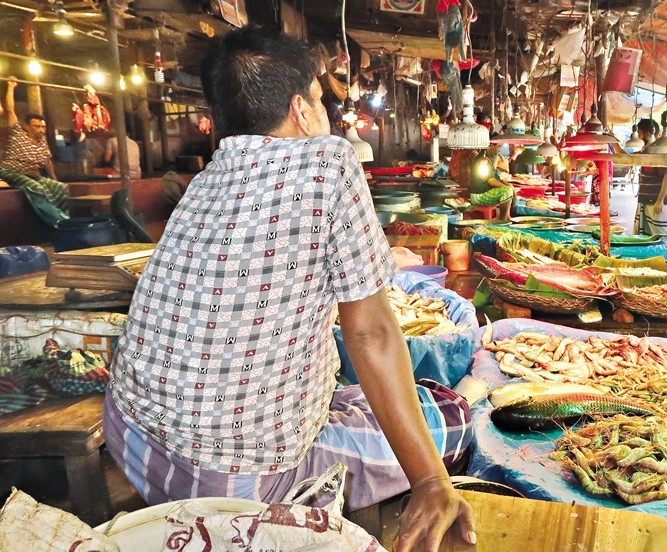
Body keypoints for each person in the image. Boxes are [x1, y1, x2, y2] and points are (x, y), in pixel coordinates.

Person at [103, 28, 475, 552]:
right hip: (231, 481)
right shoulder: (328, 160)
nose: (325, 115)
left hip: (132, 439)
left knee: (360, 396)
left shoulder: (207, 179)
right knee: (452, 414)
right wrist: (432, 483)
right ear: (302, 110)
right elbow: (369, 333)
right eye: (322, 101)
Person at [0, 77, 69, 226]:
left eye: (43, 127)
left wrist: (54, 177)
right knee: (37, 188)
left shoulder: (42, 141)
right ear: (27, 126)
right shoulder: (18, 132)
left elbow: (46, 161)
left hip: (33, 174)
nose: (41, 129)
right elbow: (10, 110)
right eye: (37, 126)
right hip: (10, 172)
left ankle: (65, 219)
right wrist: (11, 87)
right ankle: (56, 222)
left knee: (61, 188)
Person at [633, 118, 667, 244]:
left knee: (662, 238)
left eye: (639, 133)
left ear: (647, 134)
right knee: (646, 237)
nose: (638, 137)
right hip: (645, 200)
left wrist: (660, 200)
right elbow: (627, 157)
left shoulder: (658, 151)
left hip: (657, 202)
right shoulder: (646, 150)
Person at [470, 146, 513, 221]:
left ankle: (507, 217)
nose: (498, 149)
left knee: (509, 188)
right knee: (507, 191)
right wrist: (509, 188)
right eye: (497, 146)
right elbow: (491, 181)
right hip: (479, 195)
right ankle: (503, 220)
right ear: (490, 146)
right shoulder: (483, 160)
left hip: (484, 193)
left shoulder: (488, 159)